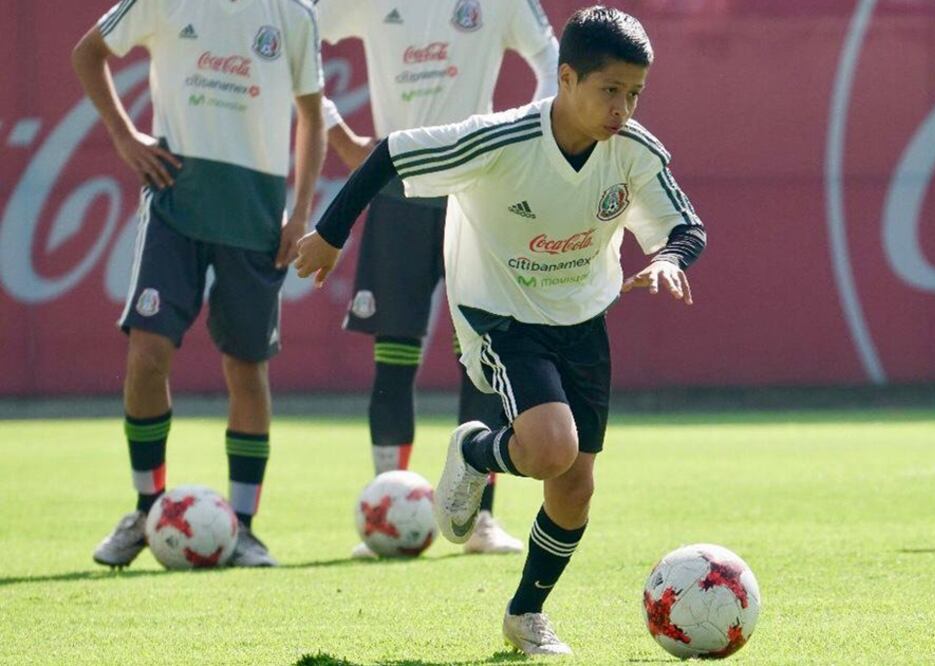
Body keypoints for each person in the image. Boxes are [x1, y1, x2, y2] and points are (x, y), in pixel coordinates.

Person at [296, 5, 705, 654]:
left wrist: (665, 261)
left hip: (581, 318)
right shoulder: (499, 139)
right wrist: (328, 232)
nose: (621, 107)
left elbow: (685, 227)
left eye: (633, 93)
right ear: (564, 79)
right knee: (549, 448)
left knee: (573, 488)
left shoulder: (631, 152)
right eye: (609, 91)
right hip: (499, 313)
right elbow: (391, 155)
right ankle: (477, 452)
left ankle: (523, 615)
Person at [73, 0, 326, 568]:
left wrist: (301, 213)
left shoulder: (295, 15)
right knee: (146, 354)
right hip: (174, 204)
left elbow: (312, 116)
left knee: (246, 367)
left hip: (255, 216)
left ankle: (244, 528)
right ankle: (146, 507)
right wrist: (123, 136)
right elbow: (87, 53)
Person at [315, 0, 560, 558]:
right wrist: (335, 130)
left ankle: (478, 520)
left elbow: (552, 60)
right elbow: (295, 35)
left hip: (475, 195)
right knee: (394, 354)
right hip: (396, 190)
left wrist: (516, 134)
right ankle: (386, 508)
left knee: (481, 356)